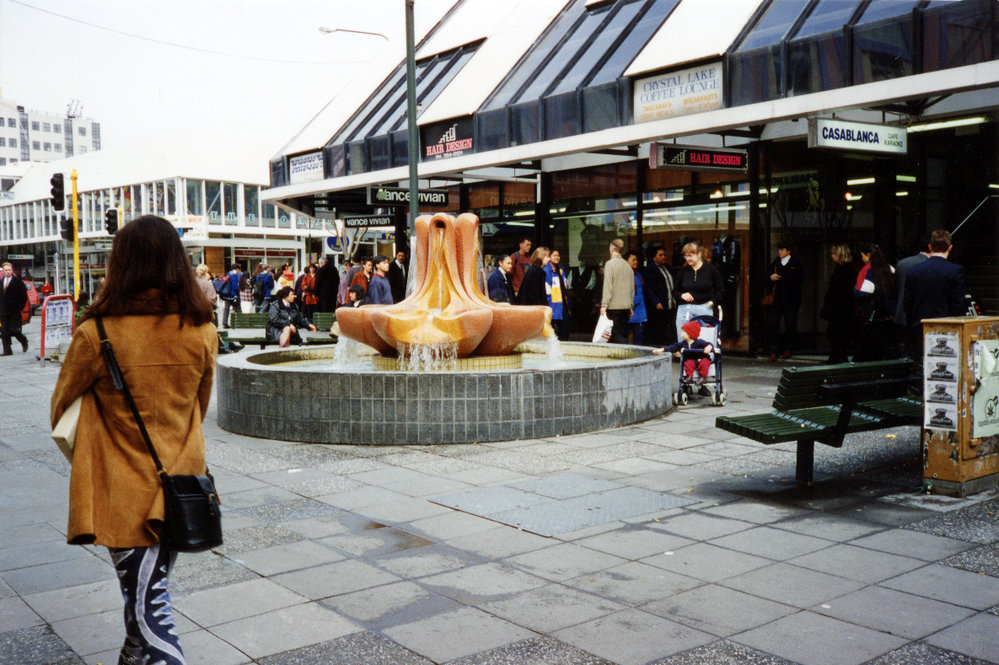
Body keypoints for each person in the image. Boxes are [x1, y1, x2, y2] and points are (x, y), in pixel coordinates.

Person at [49, 215, 217, 665]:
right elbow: (199, 408)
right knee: (145, 591)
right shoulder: (202, 331)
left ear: (120, 264)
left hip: (122, 489)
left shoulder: (96, 333)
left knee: (149, 605)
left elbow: (62, 407)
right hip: (181, 486)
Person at [903, 229, 967, 362]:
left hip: (919, 327)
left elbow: (907, 302)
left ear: (930, 247)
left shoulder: (914, 271)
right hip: (947, 328)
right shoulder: (955, 271)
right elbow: (958, 304)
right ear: (950, 247)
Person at [854, 243, 898, 361]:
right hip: (890, 316)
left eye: (862, 256)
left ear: (868, 255)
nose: (862, 259)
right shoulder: (890, 268)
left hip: (874, 316)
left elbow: (860, 293)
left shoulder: (868, 270)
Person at [674, 241, 723, 343]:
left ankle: (706, 359)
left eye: (690, 255)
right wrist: (682, 295)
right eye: (686, 256)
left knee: (705, 340)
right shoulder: (683, 271)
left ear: (699, 254)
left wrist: (712, 302)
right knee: (683, 341)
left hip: (704, 308)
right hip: (685, 309)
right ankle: (685, 359)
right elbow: (674, 290)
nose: (688, 259)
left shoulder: (711, 270)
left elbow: (720, 290)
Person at [765, 241, 804, 361]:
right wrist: (771, 278)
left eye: (782, 249)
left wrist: (785, 278)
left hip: (791, 299)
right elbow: (766, 277)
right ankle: (773, 350)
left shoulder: (796, 263)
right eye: (779, 249)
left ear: (789, 251)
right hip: (777, 299)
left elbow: (800, 279)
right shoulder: (775, 262)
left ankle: (788, 349)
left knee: (790, 325)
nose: (779, 251)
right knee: (773, 325)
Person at [893, 235, 930, 360]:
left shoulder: (902, 263)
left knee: (908, 350)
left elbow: (897, 287)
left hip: (902, 312)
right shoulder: (929, 264)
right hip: (921, 314)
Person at [819, 243, 857, 364]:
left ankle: (837, 357)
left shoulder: (845, 269)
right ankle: (837, 356)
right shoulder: (843, 268)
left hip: (840, 308)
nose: (832, 256)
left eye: (834, 254)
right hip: (840, 308)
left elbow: (841, 290)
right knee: (836, 332)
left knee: (836, 333)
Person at [653, 319, 714, 393]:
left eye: (683, 332)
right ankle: (689, 376)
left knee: (704, 363)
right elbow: (673, 347)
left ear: (690, 334)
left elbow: (709, 344)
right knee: (688, 363)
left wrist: (708, 347)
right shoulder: (683, 343)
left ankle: (703, 377)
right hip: (691, 360)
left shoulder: (699, 342)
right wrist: (662, 349)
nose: (681, 334)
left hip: (702, 358)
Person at [600, 238, 635, 344]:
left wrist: (604, 305)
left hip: (613, 307)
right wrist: (631, 307)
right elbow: (632, 288)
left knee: (615, 337)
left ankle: (619, 359)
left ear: (612, 249)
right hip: (625, 307)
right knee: (623, 335)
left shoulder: (610, 264)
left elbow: (608, 286)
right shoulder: (627, 266)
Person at [643, 245, 677, 347]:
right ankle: (659, 346)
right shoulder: (650, 269)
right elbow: (648, 288)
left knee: (670, 326)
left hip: (670, 303)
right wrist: (656, 302)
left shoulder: (668, 268)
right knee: (659, 327)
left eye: (664, 255)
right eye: (660, 255)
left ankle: (669, 346)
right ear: (654, 257)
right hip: (659, 305)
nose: (664, 257)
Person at [1, 261, 29, 355]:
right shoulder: (1, 282)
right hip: (3, 311)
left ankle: (23, 340)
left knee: (14, 330)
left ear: (12, 270)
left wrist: (19, 307)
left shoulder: (17, 282)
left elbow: (24, 296)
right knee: (4, 331)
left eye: (9, 270)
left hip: (14, 311)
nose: (7, 272)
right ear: (3, 271)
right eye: (6, 270)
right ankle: (7, 350)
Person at [545, 249, 571, 340]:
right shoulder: (546, 270)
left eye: (558, 256)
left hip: (563, 303)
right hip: (551, 304)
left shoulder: (561, 269)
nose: (557, 257)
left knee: (565, 329)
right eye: (554, 255)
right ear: (549, 257)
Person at [624, 251, 647, 345]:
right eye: (633, 260)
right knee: (625, 338)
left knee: (639, 338)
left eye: (636, 260)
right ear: (626, 261)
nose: (636, 262)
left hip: (640, 312)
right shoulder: (622, 276)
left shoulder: (639, 275)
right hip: (627, 312)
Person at [219, 263, 241, 328]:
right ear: (237, 269)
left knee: (226, 308)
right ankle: (241, 322)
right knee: (238, 308)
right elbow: (235, 286)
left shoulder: (228, 273)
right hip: (232, 294)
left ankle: (224, 322)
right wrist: (237, 292)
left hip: (227, 294)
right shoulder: (234, 275)